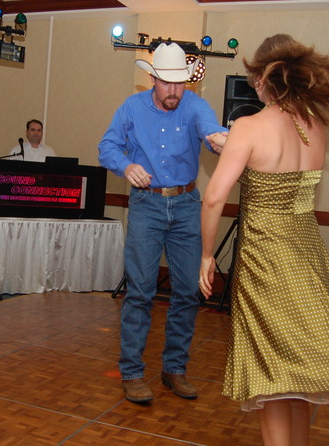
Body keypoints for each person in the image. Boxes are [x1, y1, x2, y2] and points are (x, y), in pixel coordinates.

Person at [199, 34, 329, 445]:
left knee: (271, 372)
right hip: (307, 254)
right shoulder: (315, 126)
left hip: (266, 260)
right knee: (297, 373)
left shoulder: (249, 126)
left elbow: (213, 198)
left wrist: (207, 256)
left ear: (263, 78)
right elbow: (281, 180)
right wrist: (235, 148)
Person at [98, 42, 228, 404]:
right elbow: (107, 146)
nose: (173, 91)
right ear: (153, 79)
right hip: (146, 204)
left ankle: (174, 369)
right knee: (140, 292)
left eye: (179, 83)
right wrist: (126, 165)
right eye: (166, 83)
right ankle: (132, 373)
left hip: (186, 205)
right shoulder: (132, 107)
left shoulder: (195, 106)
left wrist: (220, 139)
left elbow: (210, 129)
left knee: (187, 291)